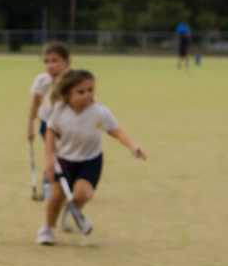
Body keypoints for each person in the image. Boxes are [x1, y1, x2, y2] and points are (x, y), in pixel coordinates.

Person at [37, 69, 146, 245]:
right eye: (81, 92)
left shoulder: (100, 112)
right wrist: (49, 162)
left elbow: (115, 130)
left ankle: (73, 211)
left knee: (83, 195)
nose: (87, 95)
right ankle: (48, 228)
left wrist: (132, 146)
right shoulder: (59, 110)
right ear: (67, 94)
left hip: (90, 160)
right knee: (56, 196)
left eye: (90, 90)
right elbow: (50, 133)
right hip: (63, 160)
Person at [26, 42, 71, 201]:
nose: (50, 65)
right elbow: (35, 103)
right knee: (52, 155)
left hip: (69, 125)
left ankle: (66, 183)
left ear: (66, 62)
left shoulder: (73, 79)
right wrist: (30, 126)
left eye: (54, 61)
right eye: (46, 61)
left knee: (66, 155)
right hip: (48, 123)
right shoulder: (42, 80)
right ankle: (48, 183)